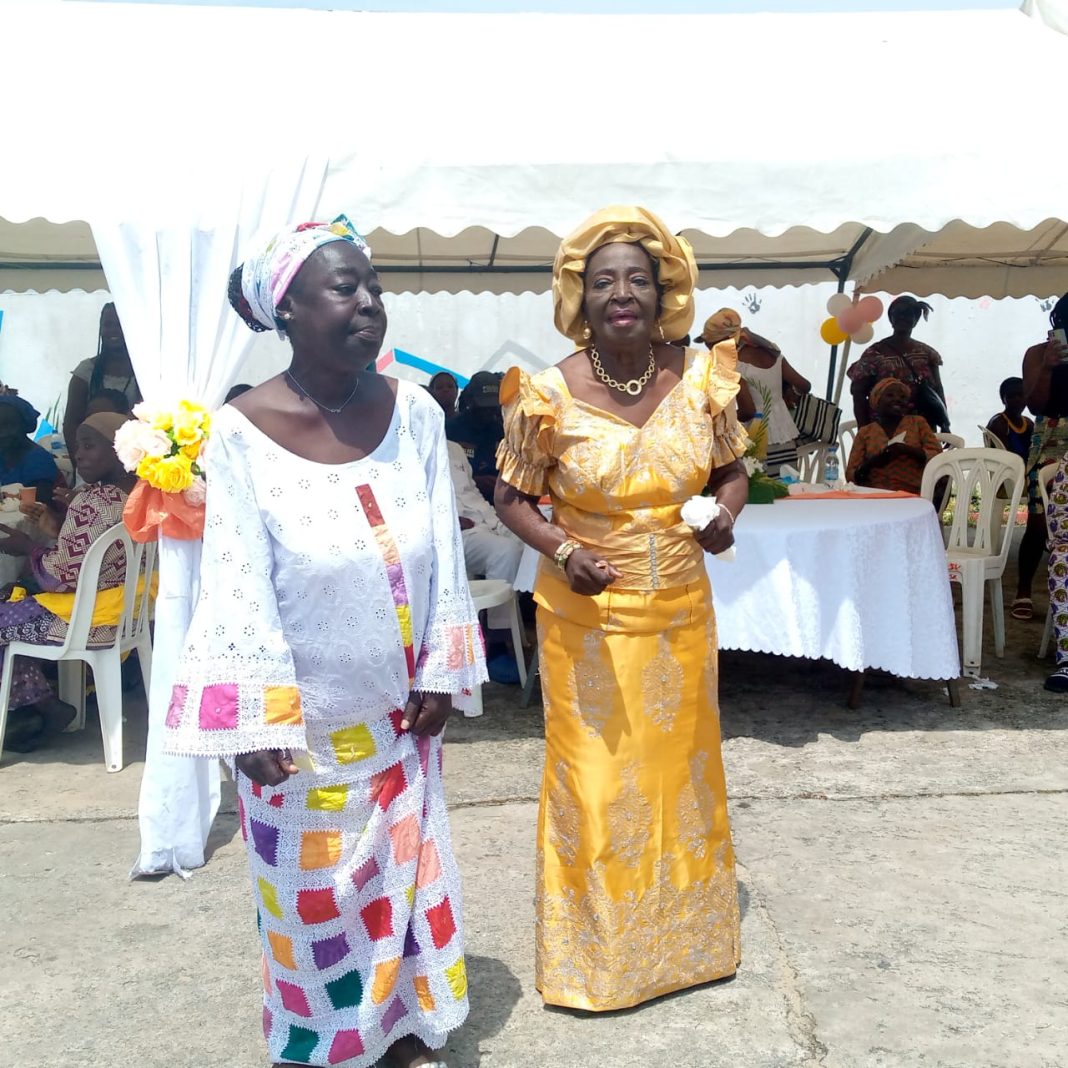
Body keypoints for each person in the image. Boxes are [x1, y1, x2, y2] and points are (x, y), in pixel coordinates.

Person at [164, 217, 486, 1068]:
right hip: (298, 727)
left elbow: (443, 554)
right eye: (344, 288)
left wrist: (444, 668)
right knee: (309, 905)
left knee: (400, 887)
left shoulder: (413, 414)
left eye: (373, 287)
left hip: (397, 717)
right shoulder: (241, 432)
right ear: (290, 311)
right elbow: (233, 579)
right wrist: (253, 723)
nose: (369, 303)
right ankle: (323, 1039)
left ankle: (403, 1027)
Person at [494, 206, 747, 1011]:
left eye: (638, 276)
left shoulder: (703, 376)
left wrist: (724, 517)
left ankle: (687, 950)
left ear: (663, 287)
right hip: (588, 623)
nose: (622, 292)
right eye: (603, 280)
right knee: (598, 784)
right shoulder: (544, 393)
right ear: (581, 296)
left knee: (680, 782)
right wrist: (565, 551)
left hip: (680, 614)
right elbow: (511, 495)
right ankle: (597, 966)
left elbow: (730, 470)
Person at [0, 413, 133, 754]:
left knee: (5, 609)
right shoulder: (137, 495)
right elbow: (93, 556)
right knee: (12, 604)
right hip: (123, 613)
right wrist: (59, 526)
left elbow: (61, 578)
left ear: (122, 450)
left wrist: (26, 547)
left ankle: (37, 707)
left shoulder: (94, 502)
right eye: (77, 446)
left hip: (84, 622)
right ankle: (35, 705)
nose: (79, 454)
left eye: (89, 446)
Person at [696, 308, 810, 474]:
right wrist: (789, 395)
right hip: (785, 435)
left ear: (721, 342)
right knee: (787, 490)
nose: (709, 350)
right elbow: (804, 385)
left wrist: (724, 421)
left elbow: (748, 411)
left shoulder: (732, 364)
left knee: (760, 494)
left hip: (757, 440)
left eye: (710, 344)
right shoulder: (771, 352)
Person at [1016, 294, 1068, 621]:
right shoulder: (1037, 353)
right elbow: (1033, 404)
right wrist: (1049, 366)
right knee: (1039, 519)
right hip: (1050, 432)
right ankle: (1023, 588)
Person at [847, 295, 949, 430]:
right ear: (891, 318)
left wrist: (944, 422)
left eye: (908, 313)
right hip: (884, 430)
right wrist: (865, 431)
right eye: (898, 313)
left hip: (923, 429)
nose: (903, 317)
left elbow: (937, 389)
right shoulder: (875, 352)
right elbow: (858, 393)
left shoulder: (928, 353)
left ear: (916, 319)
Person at [63, 303, 142, 458]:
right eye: (108, 325)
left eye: (120, 324)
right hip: (92, 458)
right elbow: (71, 423)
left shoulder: (145, 370)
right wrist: (79, 461)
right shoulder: (86, 371)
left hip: (136, 457)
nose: (113, 330)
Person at [845, 377, 941, 493]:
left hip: (913, 494)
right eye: (890, 395)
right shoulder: (865, 432)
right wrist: (874, 462)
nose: (897, 399)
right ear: (877, 401)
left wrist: (907, 450)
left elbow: (937, 456)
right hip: (874, 495)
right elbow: (851, 475)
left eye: (902, 397)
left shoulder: (918, 423)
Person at [446, 372, 503, 503]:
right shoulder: (449, 430)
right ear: (470, 400)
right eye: (483, 406)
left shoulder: (501, 431)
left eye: (492, 406)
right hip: (461, 501)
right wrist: (473, 480)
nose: (488, 411)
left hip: (495, 503)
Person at [0, 394, 59, 505]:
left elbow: (38, 499)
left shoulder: (38, 459)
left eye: (10, 425)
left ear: (25, 425)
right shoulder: (4, 453)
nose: (3, 433)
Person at [986, 376, 1034, 461]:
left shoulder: (1028, 423)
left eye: (1021, 395)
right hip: (1009, 471)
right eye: (1011, 396)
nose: (1017, 400)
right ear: (1003, 400)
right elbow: (1006, 458)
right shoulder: (999, 423)